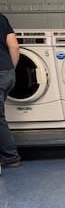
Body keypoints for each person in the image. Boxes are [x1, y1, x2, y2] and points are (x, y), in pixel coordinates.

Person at [0, 13, 21, 168]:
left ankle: (11, 158)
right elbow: (14, 46)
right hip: (7, 72)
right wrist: (11, 69)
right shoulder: (1, 17)